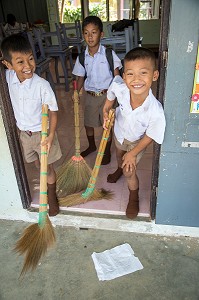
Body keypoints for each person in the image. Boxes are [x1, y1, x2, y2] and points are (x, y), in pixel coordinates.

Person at [1, 34, 62, 216]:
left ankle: (52, 196)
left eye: (30, 59)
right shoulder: (8, 77)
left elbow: (53, 112)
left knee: (47, 167)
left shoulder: (42, 85)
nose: (27, 66)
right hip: (24, 135)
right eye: (20, 62)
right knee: (37, 164)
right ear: (8, 65)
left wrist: (50, 135)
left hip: (42, 134)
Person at [103, 47, 166, 219]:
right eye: (130, 74)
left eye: (143, 73)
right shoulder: (120, 86)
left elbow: (151, 135)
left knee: (129, 170)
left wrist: (133, 153)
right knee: (119, 154)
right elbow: (113, 86)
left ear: (154, 75)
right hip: (120, 133)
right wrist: (106, 107)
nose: (136, 79)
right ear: (125, 77)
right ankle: (118, 168)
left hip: (138, 142)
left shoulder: (155, 110)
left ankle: (133, 196)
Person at [72, 16, 122, 165]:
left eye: (93, 32)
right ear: (83, 35)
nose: (90, 36)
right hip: (90, 95)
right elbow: (80, 78)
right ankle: (92, 145)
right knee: (88, 122)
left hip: (108, 95)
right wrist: (76, 92)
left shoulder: (108, 54)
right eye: (86, 33)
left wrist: (118, 94)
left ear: (101, 34)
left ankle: (106, 151)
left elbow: (117, 76)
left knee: (107, 124)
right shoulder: (82, 57)